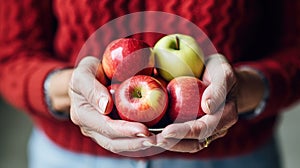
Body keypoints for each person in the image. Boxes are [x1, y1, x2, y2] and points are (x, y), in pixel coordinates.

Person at [0, 0, 299, 168]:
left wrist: (243, 89)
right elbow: (12, 55)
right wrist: (70, 90)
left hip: (232, 158)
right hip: (73, 159)